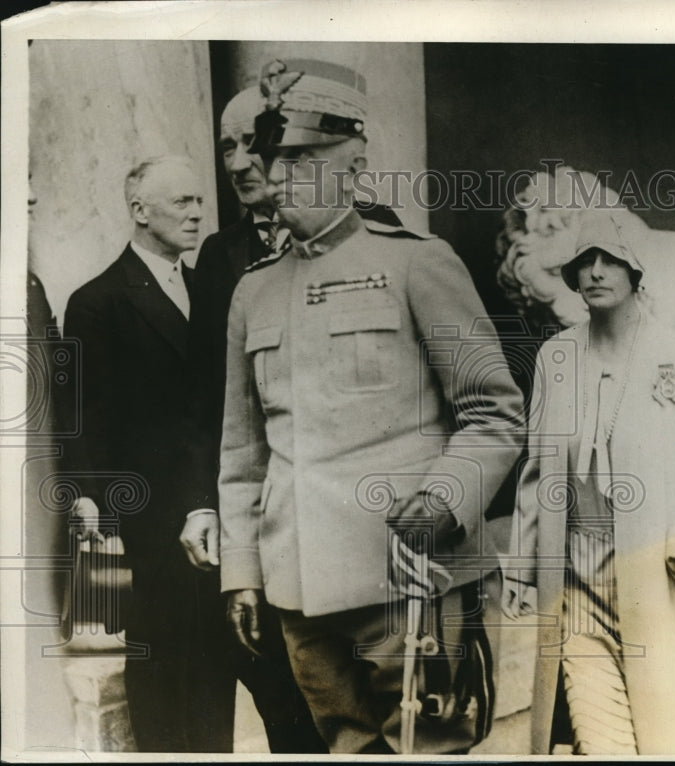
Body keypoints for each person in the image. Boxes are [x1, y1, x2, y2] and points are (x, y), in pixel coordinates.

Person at [217, 58, 525, 755]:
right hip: (299, 591)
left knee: (431, 749)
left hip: (410, 575)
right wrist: (242, 573)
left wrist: (444, 498)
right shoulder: (253, 292)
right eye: (273, 156)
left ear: (354, 167)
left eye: (302, 157)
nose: (279, 173)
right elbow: (243, 452)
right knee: (347, 747)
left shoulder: (419, 263)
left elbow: (495, 412)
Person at [503, 210, 675, 755]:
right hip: (576, 577)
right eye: (585, 261)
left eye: (612, 261)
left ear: (636, 272)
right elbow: (538, 468)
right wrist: (522, 564)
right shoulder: (556, 356)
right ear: (573, 275)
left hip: (658, 576)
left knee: (669, 735)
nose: (597, 272)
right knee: (603, 740)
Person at [62, 155, 239, 751]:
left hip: (211, 505)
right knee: (161, 666)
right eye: (181, 203)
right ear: (140, 211)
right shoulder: (98, 302)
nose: (197, 213)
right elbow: (83, 415)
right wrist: (93, 509)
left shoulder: (208, 291)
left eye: (198, 201)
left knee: (214, 664)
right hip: (145, 519)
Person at [179, 85, 326, 754]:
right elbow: (208, 398)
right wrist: (202, 505)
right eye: (227, 147)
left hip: (346, 515)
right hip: (262, 522)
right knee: (281, 701)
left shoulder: (373, 234)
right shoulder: (218, 257)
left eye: (252, 142)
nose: (238, 162)